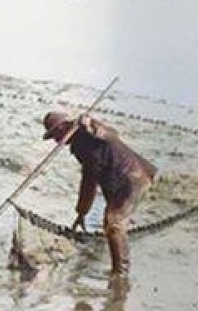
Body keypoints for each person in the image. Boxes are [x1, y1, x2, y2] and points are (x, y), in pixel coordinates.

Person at [42, 110, 158, 279]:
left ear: (63, 128)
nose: (55, 140)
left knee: (114, 223)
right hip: (126, 180)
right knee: (111, 222)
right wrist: (82, 213)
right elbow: (90, 178)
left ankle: (120, 273)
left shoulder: (87, 136)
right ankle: (118, 268)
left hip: (132, 179)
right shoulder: (82, 138)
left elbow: (89, 181)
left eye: (55, 135)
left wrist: (82, 211)